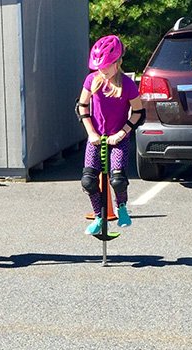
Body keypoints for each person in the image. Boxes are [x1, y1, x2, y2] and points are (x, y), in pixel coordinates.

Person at [76, 35, 144, 235]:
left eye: (106, 66)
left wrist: (123, 133)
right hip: (96, 138)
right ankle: (99, 216)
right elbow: (82, 106)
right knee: (88, 181)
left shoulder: (127, 85)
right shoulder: (92, 80)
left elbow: (138, 112)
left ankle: (121, 207)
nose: (102, 70)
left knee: (118, 180)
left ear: (117, 62)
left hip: (118, 139)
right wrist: (91, 132)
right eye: (99, 67)